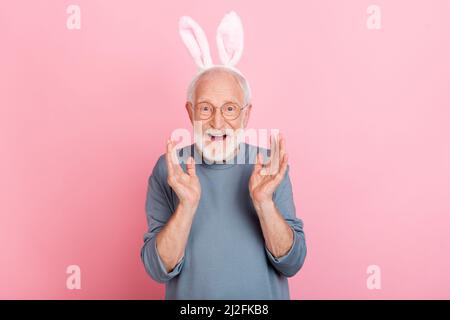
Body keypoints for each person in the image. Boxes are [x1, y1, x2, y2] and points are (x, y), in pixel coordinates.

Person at [140, 11, 307, 299]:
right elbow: (157, 270)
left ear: (246, 114)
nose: (218, 123)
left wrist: (264, 203)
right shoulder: (169, 168)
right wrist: (187, 205)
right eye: (206, 108)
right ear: (191, 113)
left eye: (230, 109)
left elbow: (292, 263)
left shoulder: (268, 165)